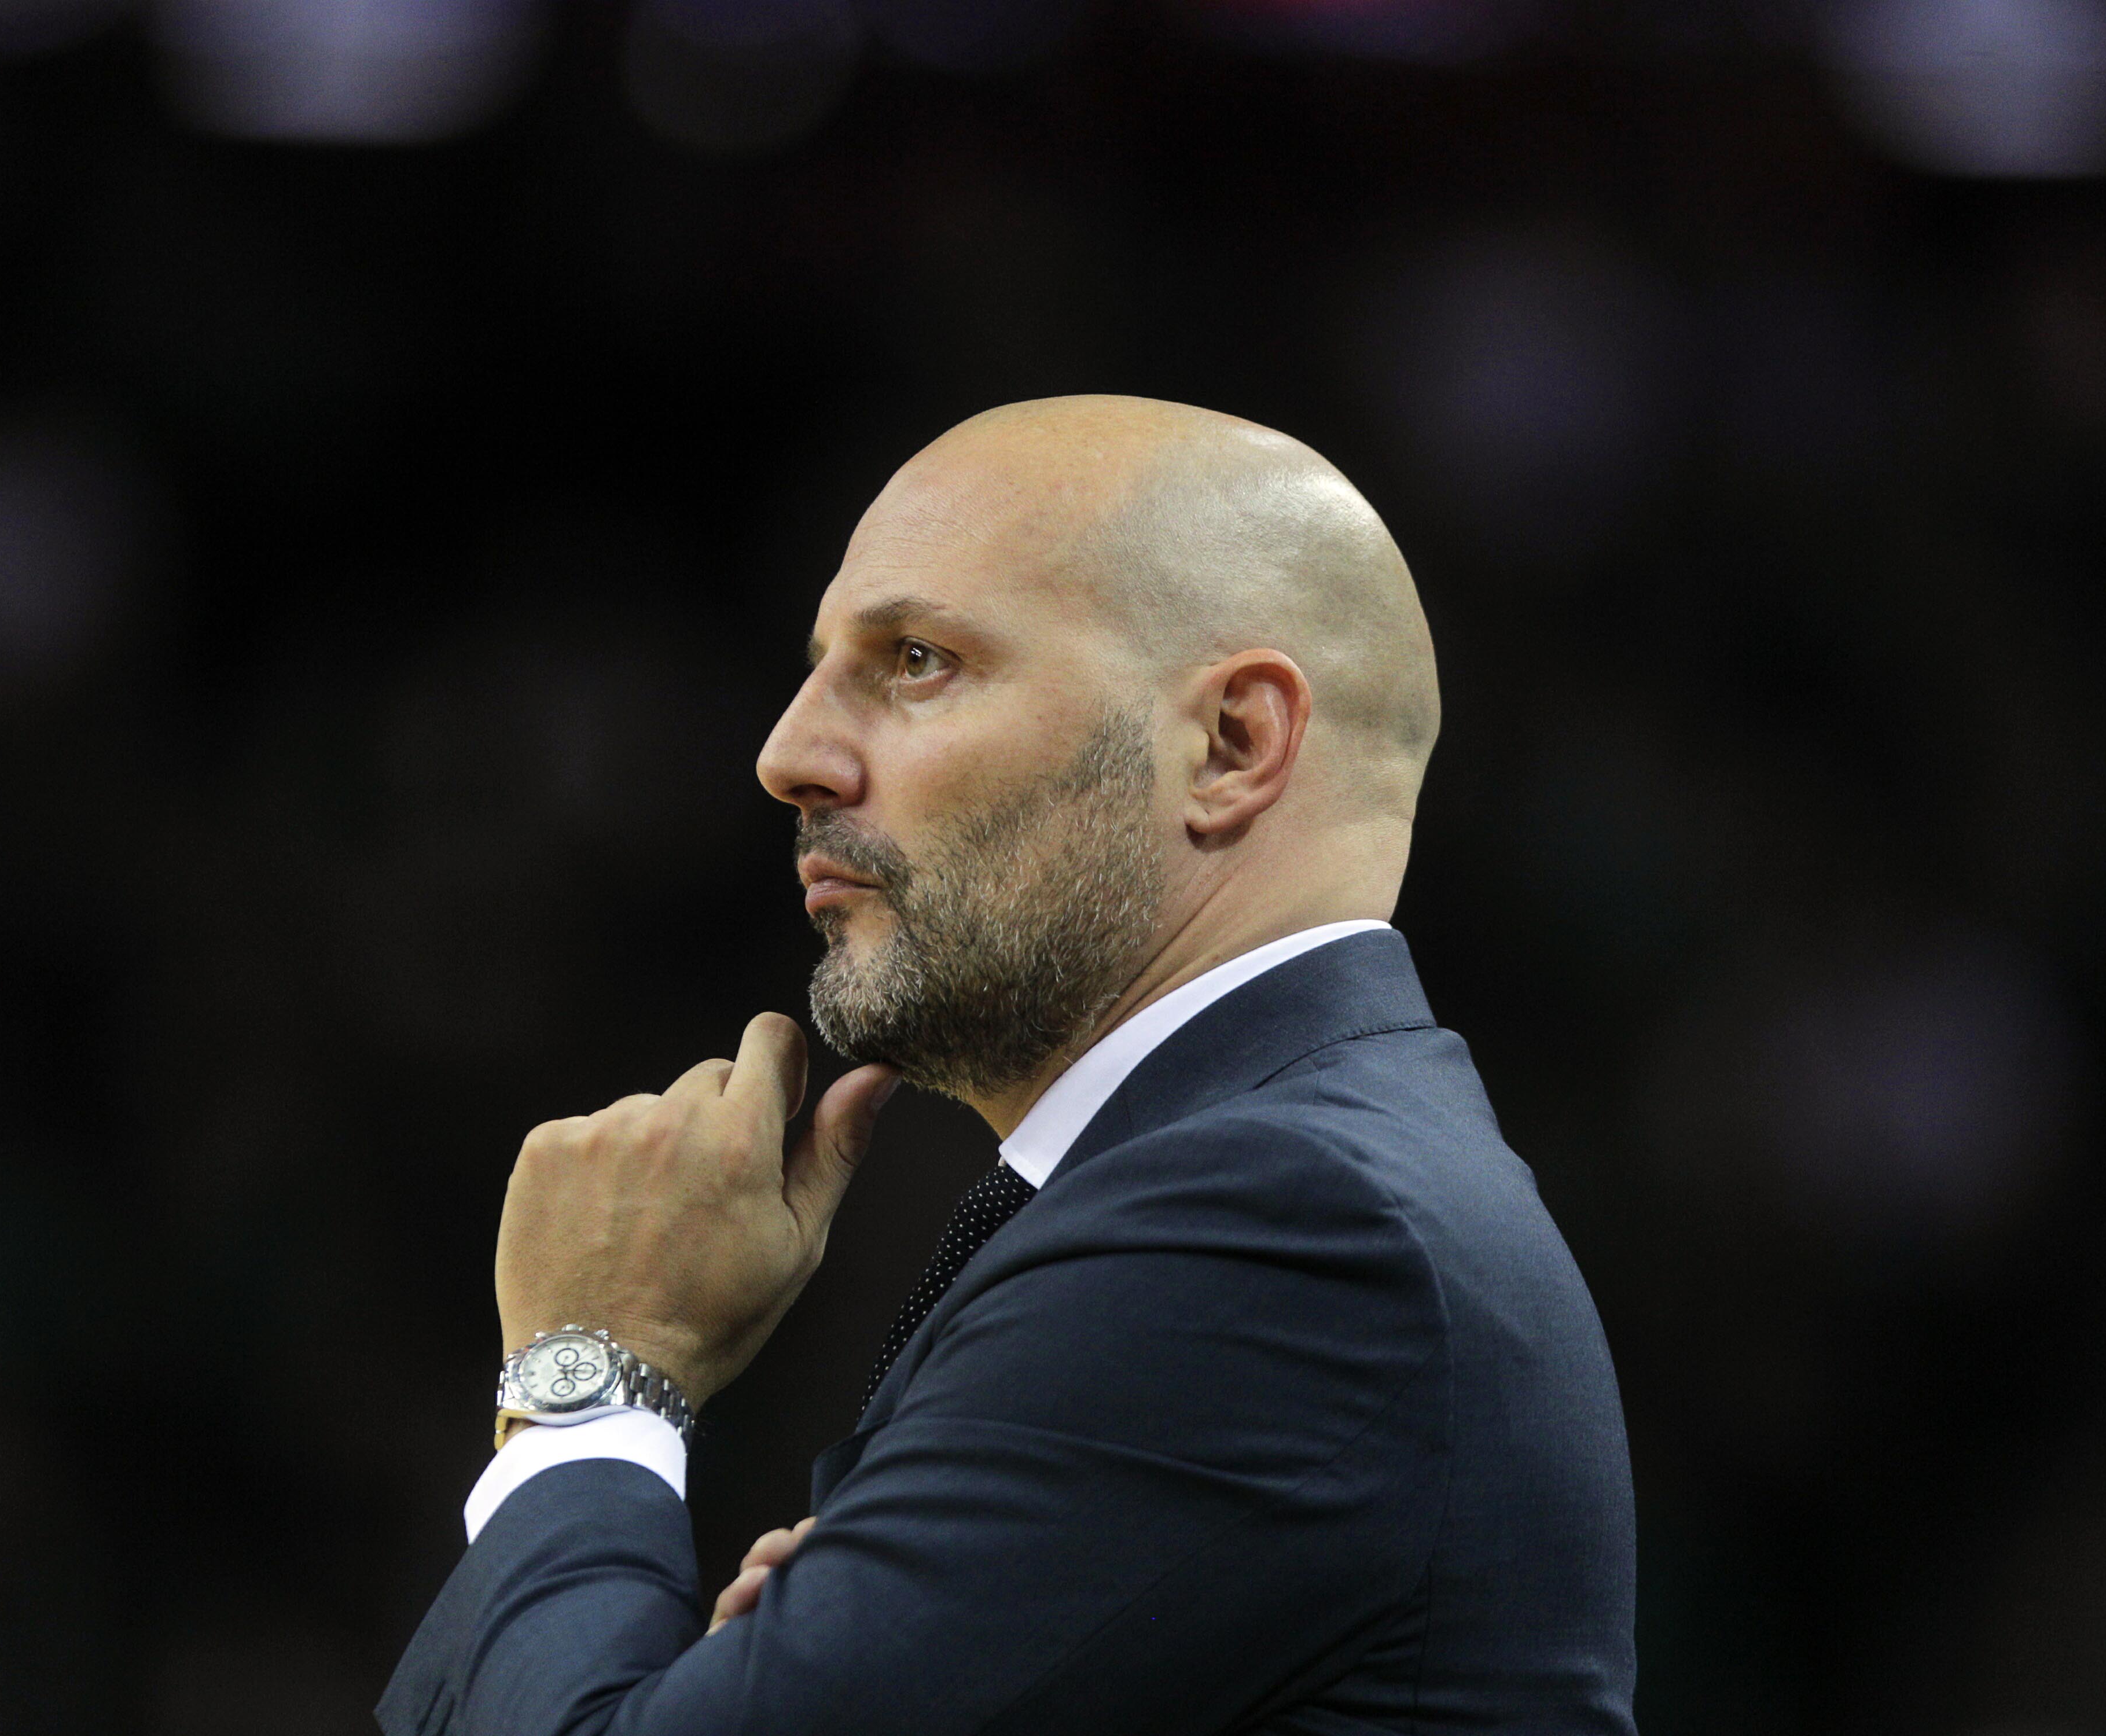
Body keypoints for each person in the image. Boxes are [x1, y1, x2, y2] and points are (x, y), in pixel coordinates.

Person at [378, 396, 1637, 1735]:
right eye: (819, 666)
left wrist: (596, 1372)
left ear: (1231, 745)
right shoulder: (1288, 1189)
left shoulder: (1285, 1231)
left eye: (917, 660)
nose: (789, 757)